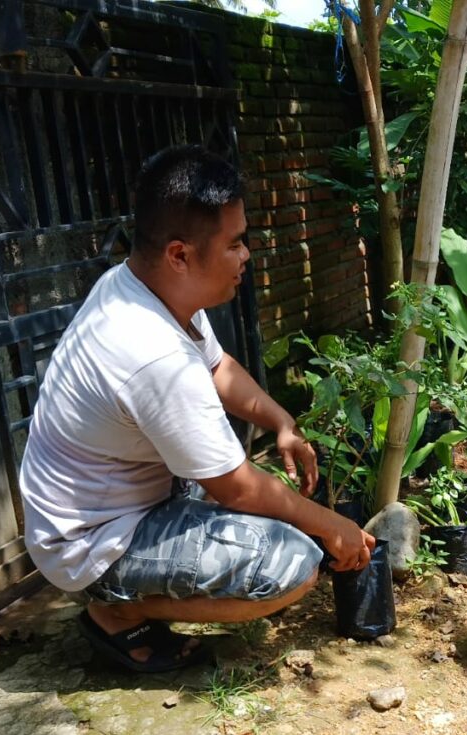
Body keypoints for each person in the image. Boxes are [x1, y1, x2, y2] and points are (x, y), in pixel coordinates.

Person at [19, 146, 375, 673]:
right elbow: (236, 486)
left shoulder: (148, 289)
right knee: (294, 564)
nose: (246, 256)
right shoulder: (151, 352)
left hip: (128, 501)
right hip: (90, 542)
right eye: (235, 244)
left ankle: (129, 595)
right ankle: (114, 610)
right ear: (180, 255)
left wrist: (279, 421)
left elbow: (218, 367)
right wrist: (332, 527)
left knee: (281, 519)